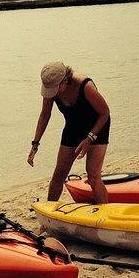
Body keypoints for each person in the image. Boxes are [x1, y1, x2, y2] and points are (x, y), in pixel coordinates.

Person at [28, 61, 111, 204]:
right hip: (73, 127)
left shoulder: (85, 86)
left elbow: (105, 113)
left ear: (65, 80)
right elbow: (45, 115)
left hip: (97, 126)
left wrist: (89, 138)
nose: (52, 93)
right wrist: (35, 144)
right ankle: (50, 210)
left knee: (93, 175)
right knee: (59, 173)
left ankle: (104, 210)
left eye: (54, 88)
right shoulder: (51, 88)